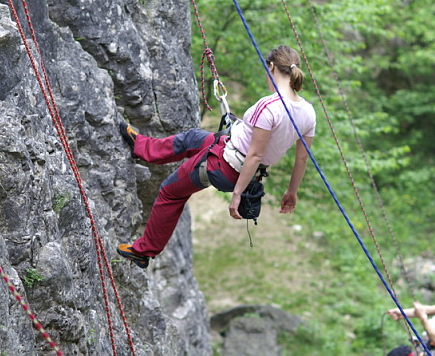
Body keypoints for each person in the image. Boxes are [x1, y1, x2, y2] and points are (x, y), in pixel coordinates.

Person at [116, 45, 317, 268]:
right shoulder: (308, 112)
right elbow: (301, 159)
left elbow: (255, 154)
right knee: (192, 137)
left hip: (224, 165)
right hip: (232, 154)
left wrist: (237, 195)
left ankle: (144, 251)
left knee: (170, 192)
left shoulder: (269, 105)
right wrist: (292, 191)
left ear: (271, 67)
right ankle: (142, 147)